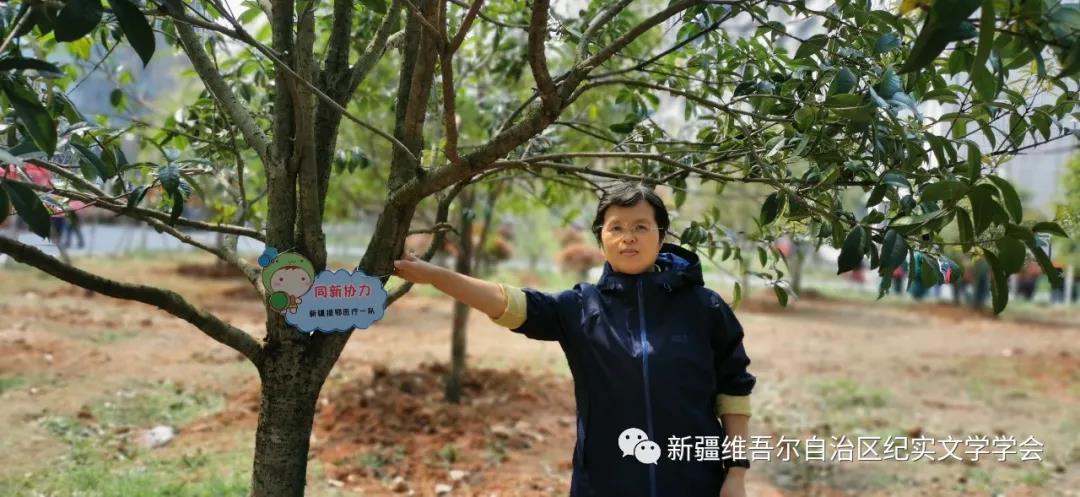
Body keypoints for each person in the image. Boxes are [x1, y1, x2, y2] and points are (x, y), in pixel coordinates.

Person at [393, 182, 755, 497]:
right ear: (601, 238)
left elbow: (734, 390)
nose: (628, 237)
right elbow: (508, 302)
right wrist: (434, 275)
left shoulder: (704, 307)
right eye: (616, 227)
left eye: (641, 226)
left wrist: (736, 472)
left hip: (694, 481)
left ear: (661, 236)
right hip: (604, 483)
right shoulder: (581, 308)